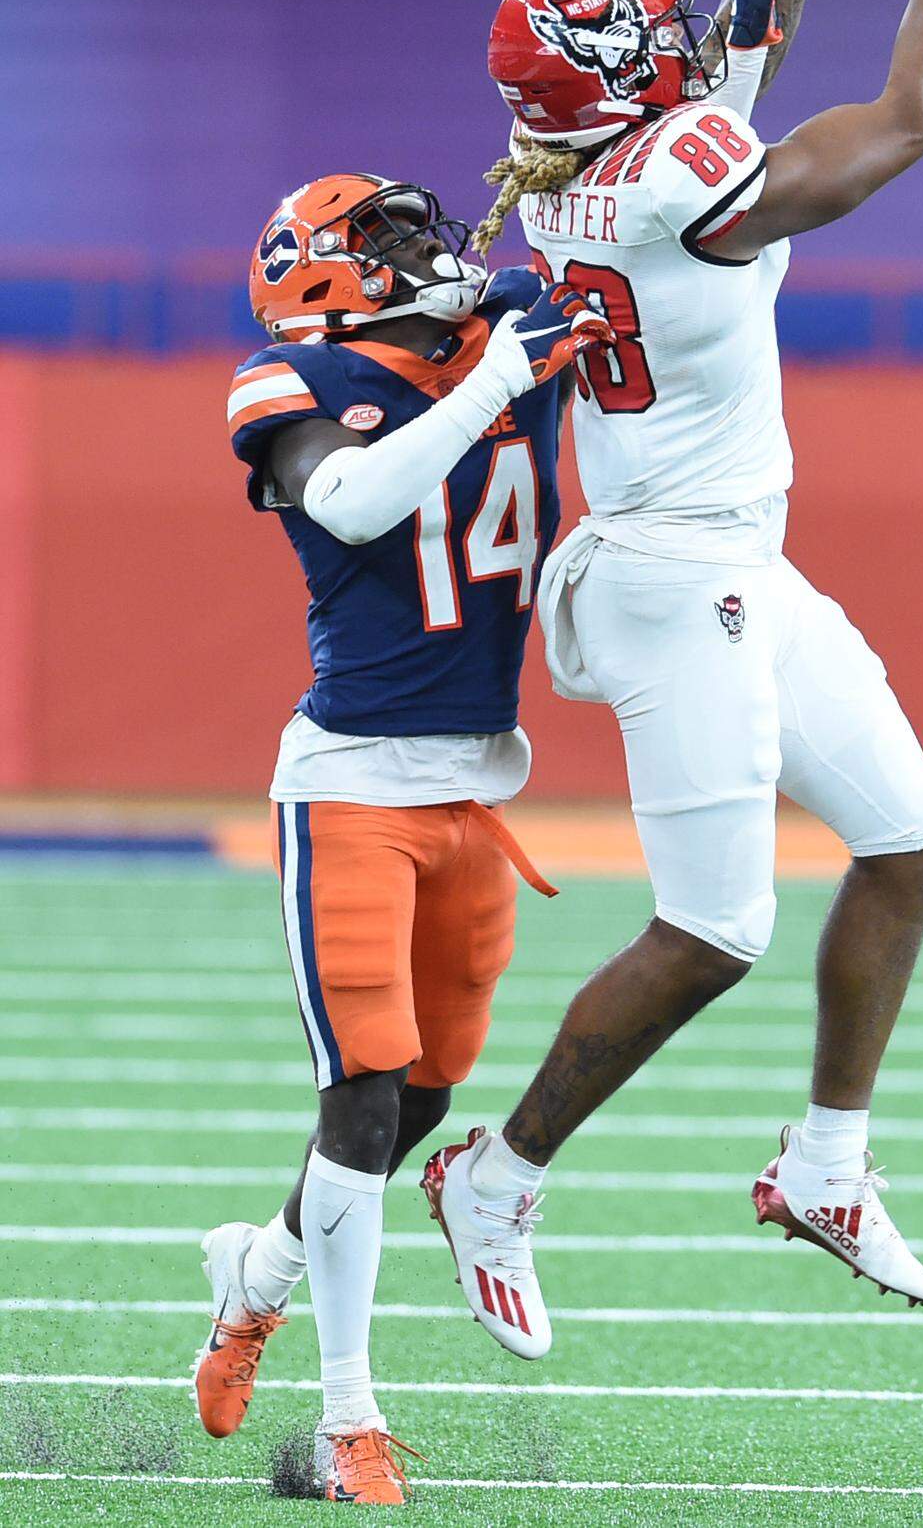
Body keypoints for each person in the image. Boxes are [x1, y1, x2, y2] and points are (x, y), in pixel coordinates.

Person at [423, 0, 923, 1356]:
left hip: (709, 556)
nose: (686, 41)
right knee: (715, 930)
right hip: (676, 581)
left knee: (912, 834)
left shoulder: (577, 168)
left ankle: (826, 1169)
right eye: (652, 40)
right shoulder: (673, 183)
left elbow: (738, 56)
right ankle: (495, 1178)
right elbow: (913, 121)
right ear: (618, 85)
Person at [193, 170, 614, 1501]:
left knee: (421, 1098)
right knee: (365, 1096)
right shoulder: (289, 383)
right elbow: (357, 502)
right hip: (352, 786)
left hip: (476, 790)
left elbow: (645, 258)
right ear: (317, 277)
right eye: (386, 238)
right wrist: (500, 378)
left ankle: (255, 1276)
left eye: (420, 226)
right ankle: (349, 1424)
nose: (428, 246)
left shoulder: (503, 322)